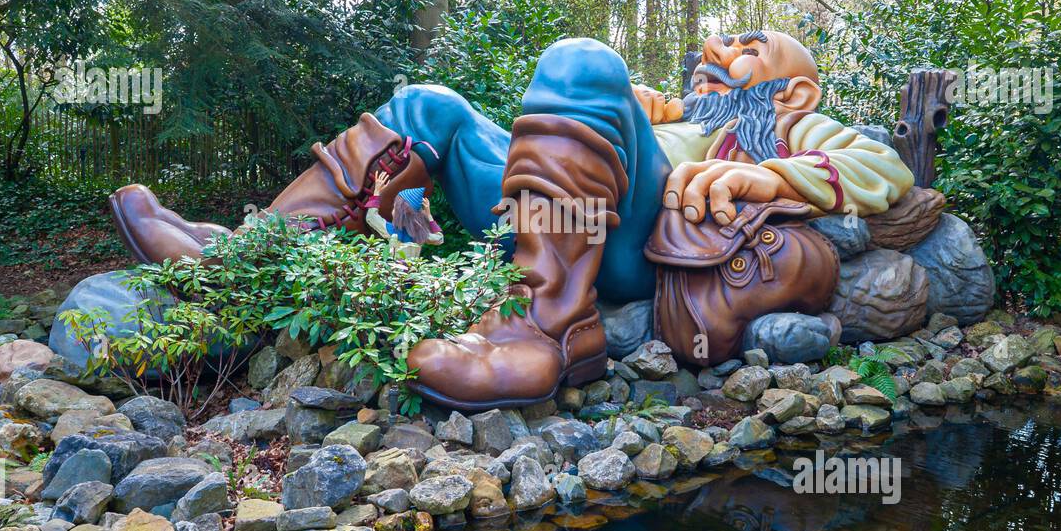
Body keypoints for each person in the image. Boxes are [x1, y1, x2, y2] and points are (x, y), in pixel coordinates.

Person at [109, 30, 913, 410]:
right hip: (549, 212)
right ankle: (255, 255)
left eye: (745, 47)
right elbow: (556, 144)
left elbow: (887, 170)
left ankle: (550, 327)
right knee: (434, 105)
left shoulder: (785, 126)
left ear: (793, 91)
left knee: (582, 62)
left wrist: (757, 169)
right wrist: (410, 186)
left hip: (637, 251)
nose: (718, 48)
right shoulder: (672, 114)